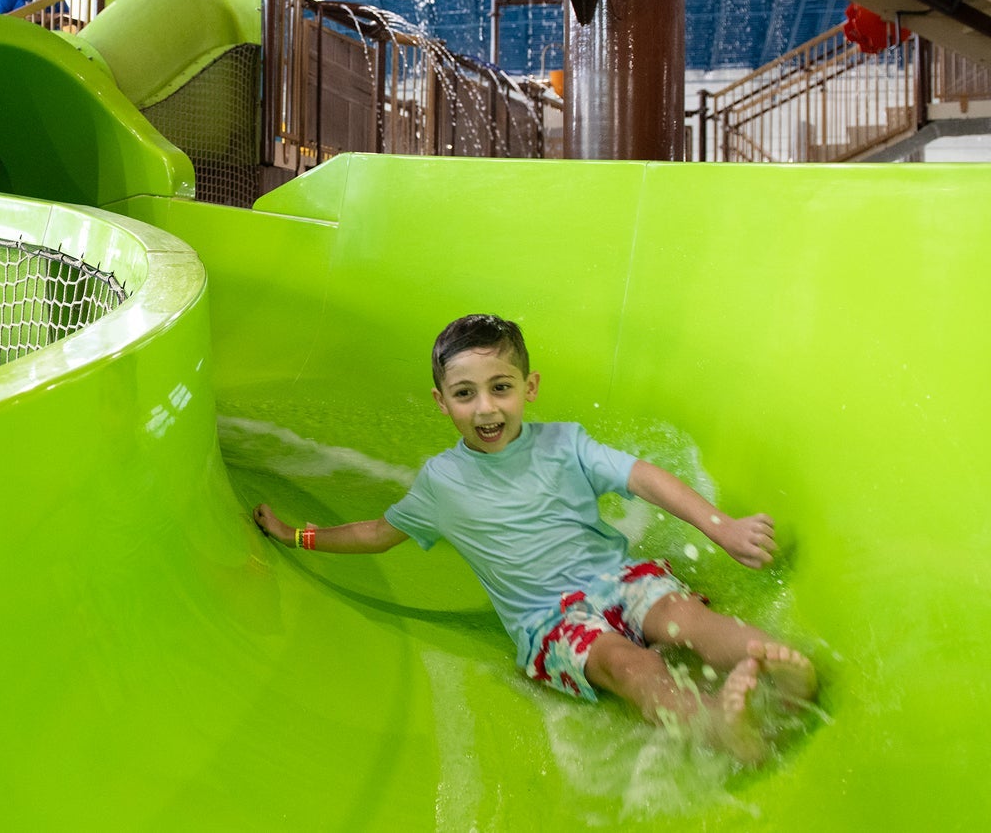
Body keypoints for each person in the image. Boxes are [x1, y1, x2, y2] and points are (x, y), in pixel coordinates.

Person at [252, 313, 818, 764]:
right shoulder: (441, 485)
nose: (486, 408)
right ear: (441, 402)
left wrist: (721, 528)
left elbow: (642, 476)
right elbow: (376, 533)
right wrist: (296, 535)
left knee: (681, 618)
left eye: (501, 388)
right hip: (551, 620)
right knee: (630, 667)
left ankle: (774, 668)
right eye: (465, 394)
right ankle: (716, 725)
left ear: (530, 387)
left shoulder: (564, 444)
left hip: (618, 581)